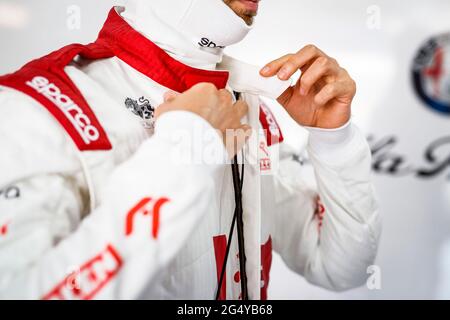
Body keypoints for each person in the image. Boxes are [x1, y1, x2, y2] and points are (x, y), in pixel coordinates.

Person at [0, 0, 381, 300]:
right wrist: (185, 148)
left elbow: (340, 267)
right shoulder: (34, 106)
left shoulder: (250, 105)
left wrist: (335, 138)